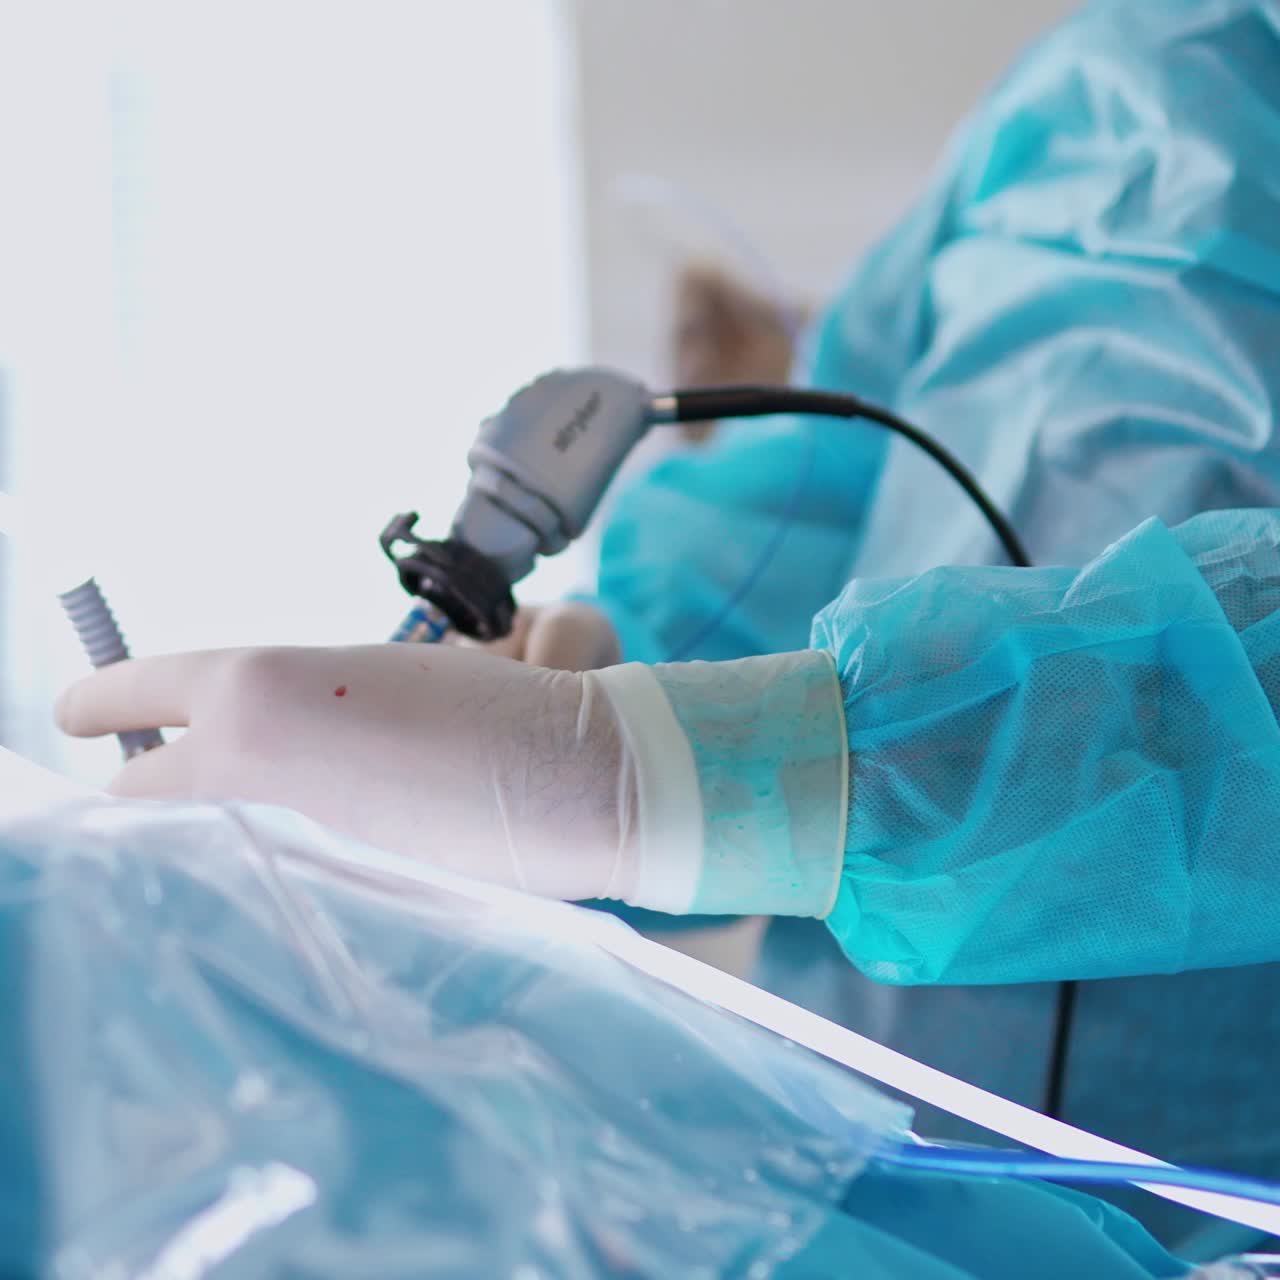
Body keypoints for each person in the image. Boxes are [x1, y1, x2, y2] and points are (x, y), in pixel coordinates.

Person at [55, 0, 1280, 1255]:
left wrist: (642, 772)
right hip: (863, 1164)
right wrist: (622, 694)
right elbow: (827, 483)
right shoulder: (1115, 78)